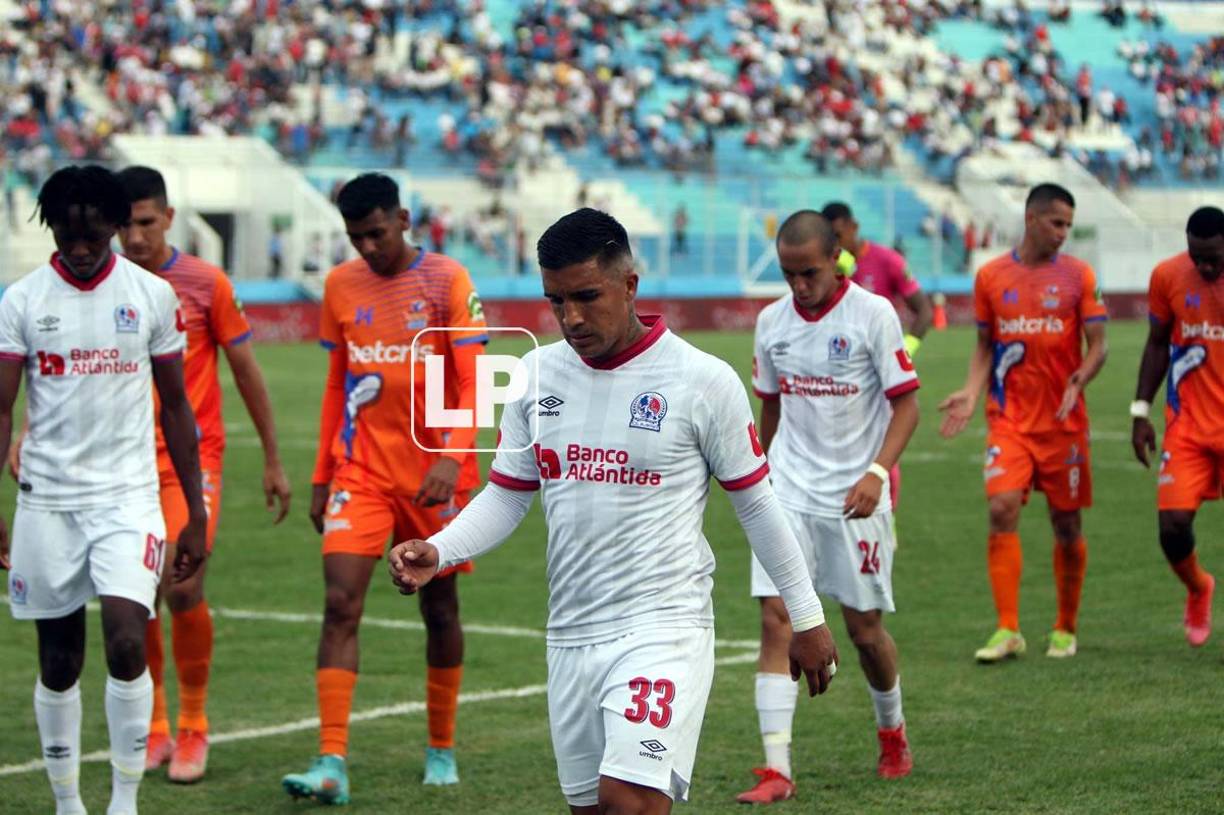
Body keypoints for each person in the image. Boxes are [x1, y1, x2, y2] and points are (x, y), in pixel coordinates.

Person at [386, 208, 840, 815]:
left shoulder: (702, 381)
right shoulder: (534, 373)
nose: (571, 318)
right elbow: (507, 494)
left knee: (627, 802)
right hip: (570, 635)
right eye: (555, 301)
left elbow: (757, 505)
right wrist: (440, 548)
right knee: (594, 810)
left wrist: (806, 616)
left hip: (664, 628)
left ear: (629, 285)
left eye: (586, 296)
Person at [0, 165, 206, 815]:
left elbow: (177, 407)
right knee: (59, 659)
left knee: (125, 638)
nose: (82, 247)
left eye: (95, 234)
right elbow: (0, 410)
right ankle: (67, 802)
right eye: (68, 233)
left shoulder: (149, 295)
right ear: (51, 227)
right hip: (47, 503)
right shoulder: (23, 301)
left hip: (128, 497)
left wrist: (194, 513)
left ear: (116, 227)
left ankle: (123, 800)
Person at [282, 173, 488, 804]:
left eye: (376, 232)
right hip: (361, 472)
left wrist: (453, 459)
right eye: (355, 237)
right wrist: (321, 474)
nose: (367, 247)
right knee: (340, 604)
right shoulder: (340, 286)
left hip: (433, 476)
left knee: (439, 608)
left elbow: (473, 379)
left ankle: (441, 746)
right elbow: (337, 383)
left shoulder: (447, 279)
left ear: (403, 217)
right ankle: (331, 762)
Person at [115, 166, 291, 782]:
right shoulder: (107, 285)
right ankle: (157, 727)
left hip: (191, 461)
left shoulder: (203, 282)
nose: (134, 237)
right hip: (119, 463)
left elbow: (245, 369)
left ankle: (194, 727)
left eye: (144, 222)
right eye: (124, 224)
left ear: (166, 217)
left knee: (181, 584)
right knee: (133, 597)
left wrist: (271, 457)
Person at [737, 211, 920, 803]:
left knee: (864, 632)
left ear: (837, 256)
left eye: (808, 272)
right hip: (786, 489)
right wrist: (756, 478)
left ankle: (891, 730)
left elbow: (906, 406)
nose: (798, 286)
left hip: (855, 499)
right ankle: (777, 770)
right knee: (775, 620)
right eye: (788, 274)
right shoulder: (771, 323)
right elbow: (770, 407)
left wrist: (876, 472)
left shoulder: (873, 314)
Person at [939, 183, 1109, 662]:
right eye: (1057, 223)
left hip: (1064, 424)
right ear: (1032, 219)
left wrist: (1082, 375)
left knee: (1067, 524)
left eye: (1069, 226)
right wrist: (971, 393)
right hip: (1009, 420)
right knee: (1001, 510)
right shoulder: (992, 276)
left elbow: (1099, 343)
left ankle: (1065, 625)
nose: (1064, 233)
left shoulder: (1079, 275)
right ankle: (1008, 628)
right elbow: (984, 346)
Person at [1130, 206, 1224, 647]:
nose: (1204, 266)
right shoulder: (1168, 276)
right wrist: (1139, 412)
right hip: (1188, 427)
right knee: (1171, 527)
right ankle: (1198, 587)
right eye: (1196, 256)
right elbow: (1156, 344)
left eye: (1213, 258)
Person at [822, 201, 932, 516]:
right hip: (837, 370)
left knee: (881, 441)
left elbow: (923, 310)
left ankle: (884, 515)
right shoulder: (829, 266)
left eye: (838, 234)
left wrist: (907, 349)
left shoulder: (887, 261)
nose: (836, 242)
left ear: (853, 227)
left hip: (879, 374)